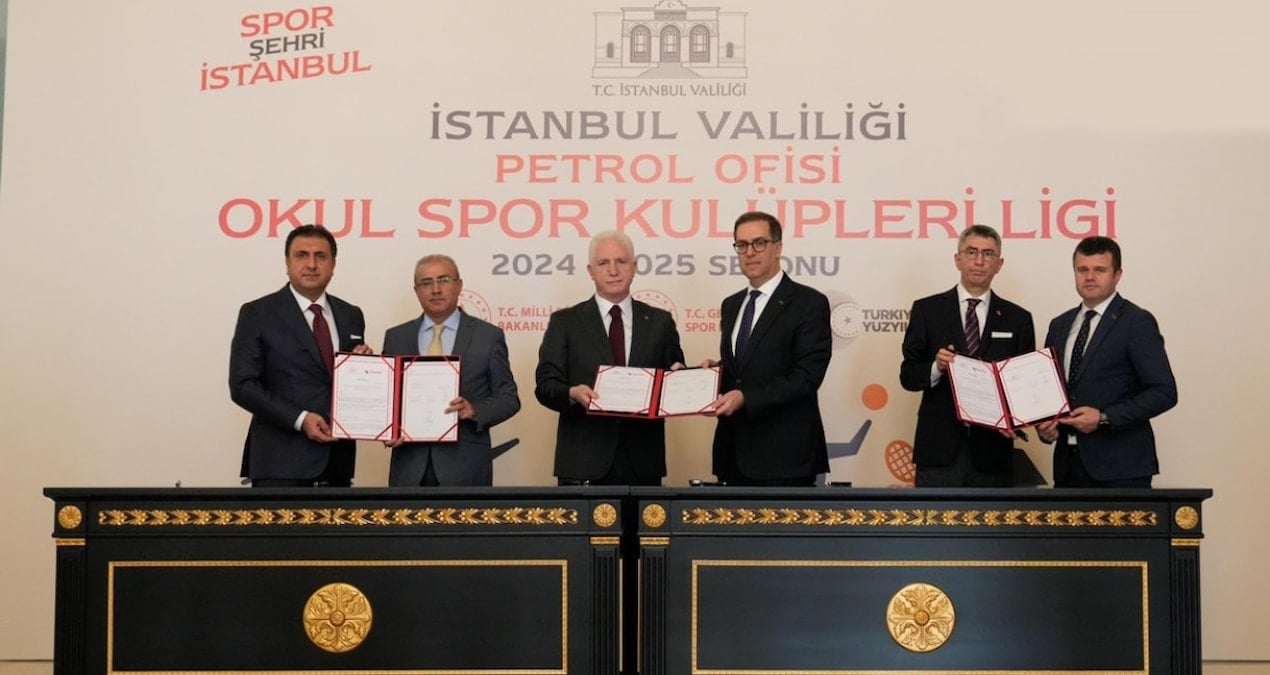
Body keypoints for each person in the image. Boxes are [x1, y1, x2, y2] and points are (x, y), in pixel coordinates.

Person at [535, 230, 685, 485]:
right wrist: (571, 393)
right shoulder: (565, 322)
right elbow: (545, 386)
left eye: (621, 262)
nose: (613, 271)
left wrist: (683, 378)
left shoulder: (660, 322)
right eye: (603, 263)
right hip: (582, 464)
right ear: (591, 270)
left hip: (643, 464)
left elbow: (674, 375)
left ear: (634, 267)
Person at [230, 225, 371, 487]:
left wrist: (365, 368)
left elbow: (345, 381)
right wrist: (300, 418)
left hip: (337, 463)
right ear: (287, 262)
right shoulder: (258, 313)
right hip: (279, 464)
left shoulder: (351, 314)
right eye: (302, 255)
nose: (312, 264)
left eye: (321, 256)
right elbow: (243, 385)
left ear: (333, 264)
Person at [899, 224, 1036, 487]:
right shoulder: (927, 310)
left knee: (992, 517)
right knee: (936, 516)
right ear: (957, 259)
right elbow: (908, 376)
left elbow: (1025, 386)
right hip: (938, 451)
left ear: (999, 264)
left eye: (988, 254)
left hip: (993, 452)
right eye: (971, 252)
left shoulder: (1018, 319)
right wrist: (937, 367)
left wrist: (1016, 417)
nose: (979, 261)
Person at [1036, 236, 1177, 488]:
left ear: (1117, 275)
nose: (1090, 277)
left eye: (1099, 270)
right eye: (1082, 269)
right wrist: (1046, 427)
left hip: (1121, 469)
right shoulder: (1060, 325)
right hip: (1068, 467)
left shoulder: (1136, 322)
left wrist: (1103, 418)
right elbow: (1052, 390)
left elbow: (1164, 392)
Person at [705, 211, 833, 487]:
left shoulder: (808, 303)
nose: (750, 252)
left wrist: (746, 398)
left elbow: (807, 376)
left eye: (759, 243)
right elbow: (742, 369)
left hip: (785, 459)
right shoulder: (732, 305)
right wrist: (710, 375)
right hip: (733, 455)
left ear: (778, 247)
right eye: (742, 245)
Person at [381, 255, 520, 486]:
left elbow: (508, 398)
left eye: (443, 280)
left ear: (459, 285)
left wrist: (474, 410)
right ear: (416, 291)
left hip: (466, 467)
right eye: (426, 282)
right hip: (409, 467)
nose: (435, 289)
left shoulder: (487, 336)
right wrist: (387, 429)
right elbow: (387, 401)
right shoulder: (396, 337)